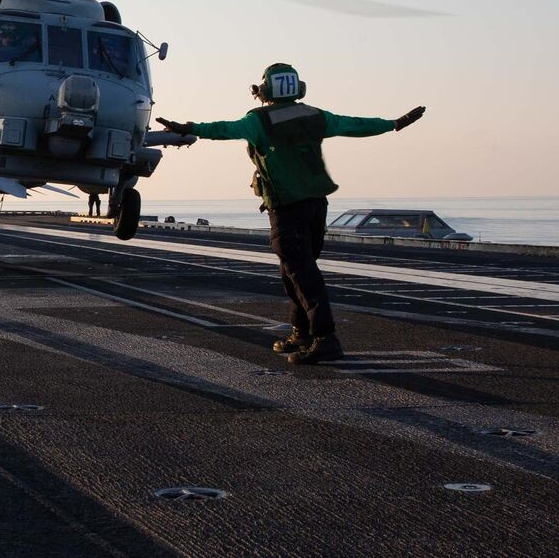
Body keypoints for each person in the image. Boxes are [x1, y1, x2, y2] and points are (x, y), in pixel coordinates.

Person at [157, 63, 424, 365]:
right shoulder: (315, 116)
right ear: (299, 88)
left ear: (265, 90)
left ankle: (325, 338)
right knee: (295, 270)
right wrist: (393, 124)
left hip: (287, 206)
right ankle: (302, 333)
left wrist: (189, 128)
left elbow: (223, 130)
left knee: (301, 272)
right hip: (316, 204)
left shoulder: (257, 121)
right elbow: (355, 124)